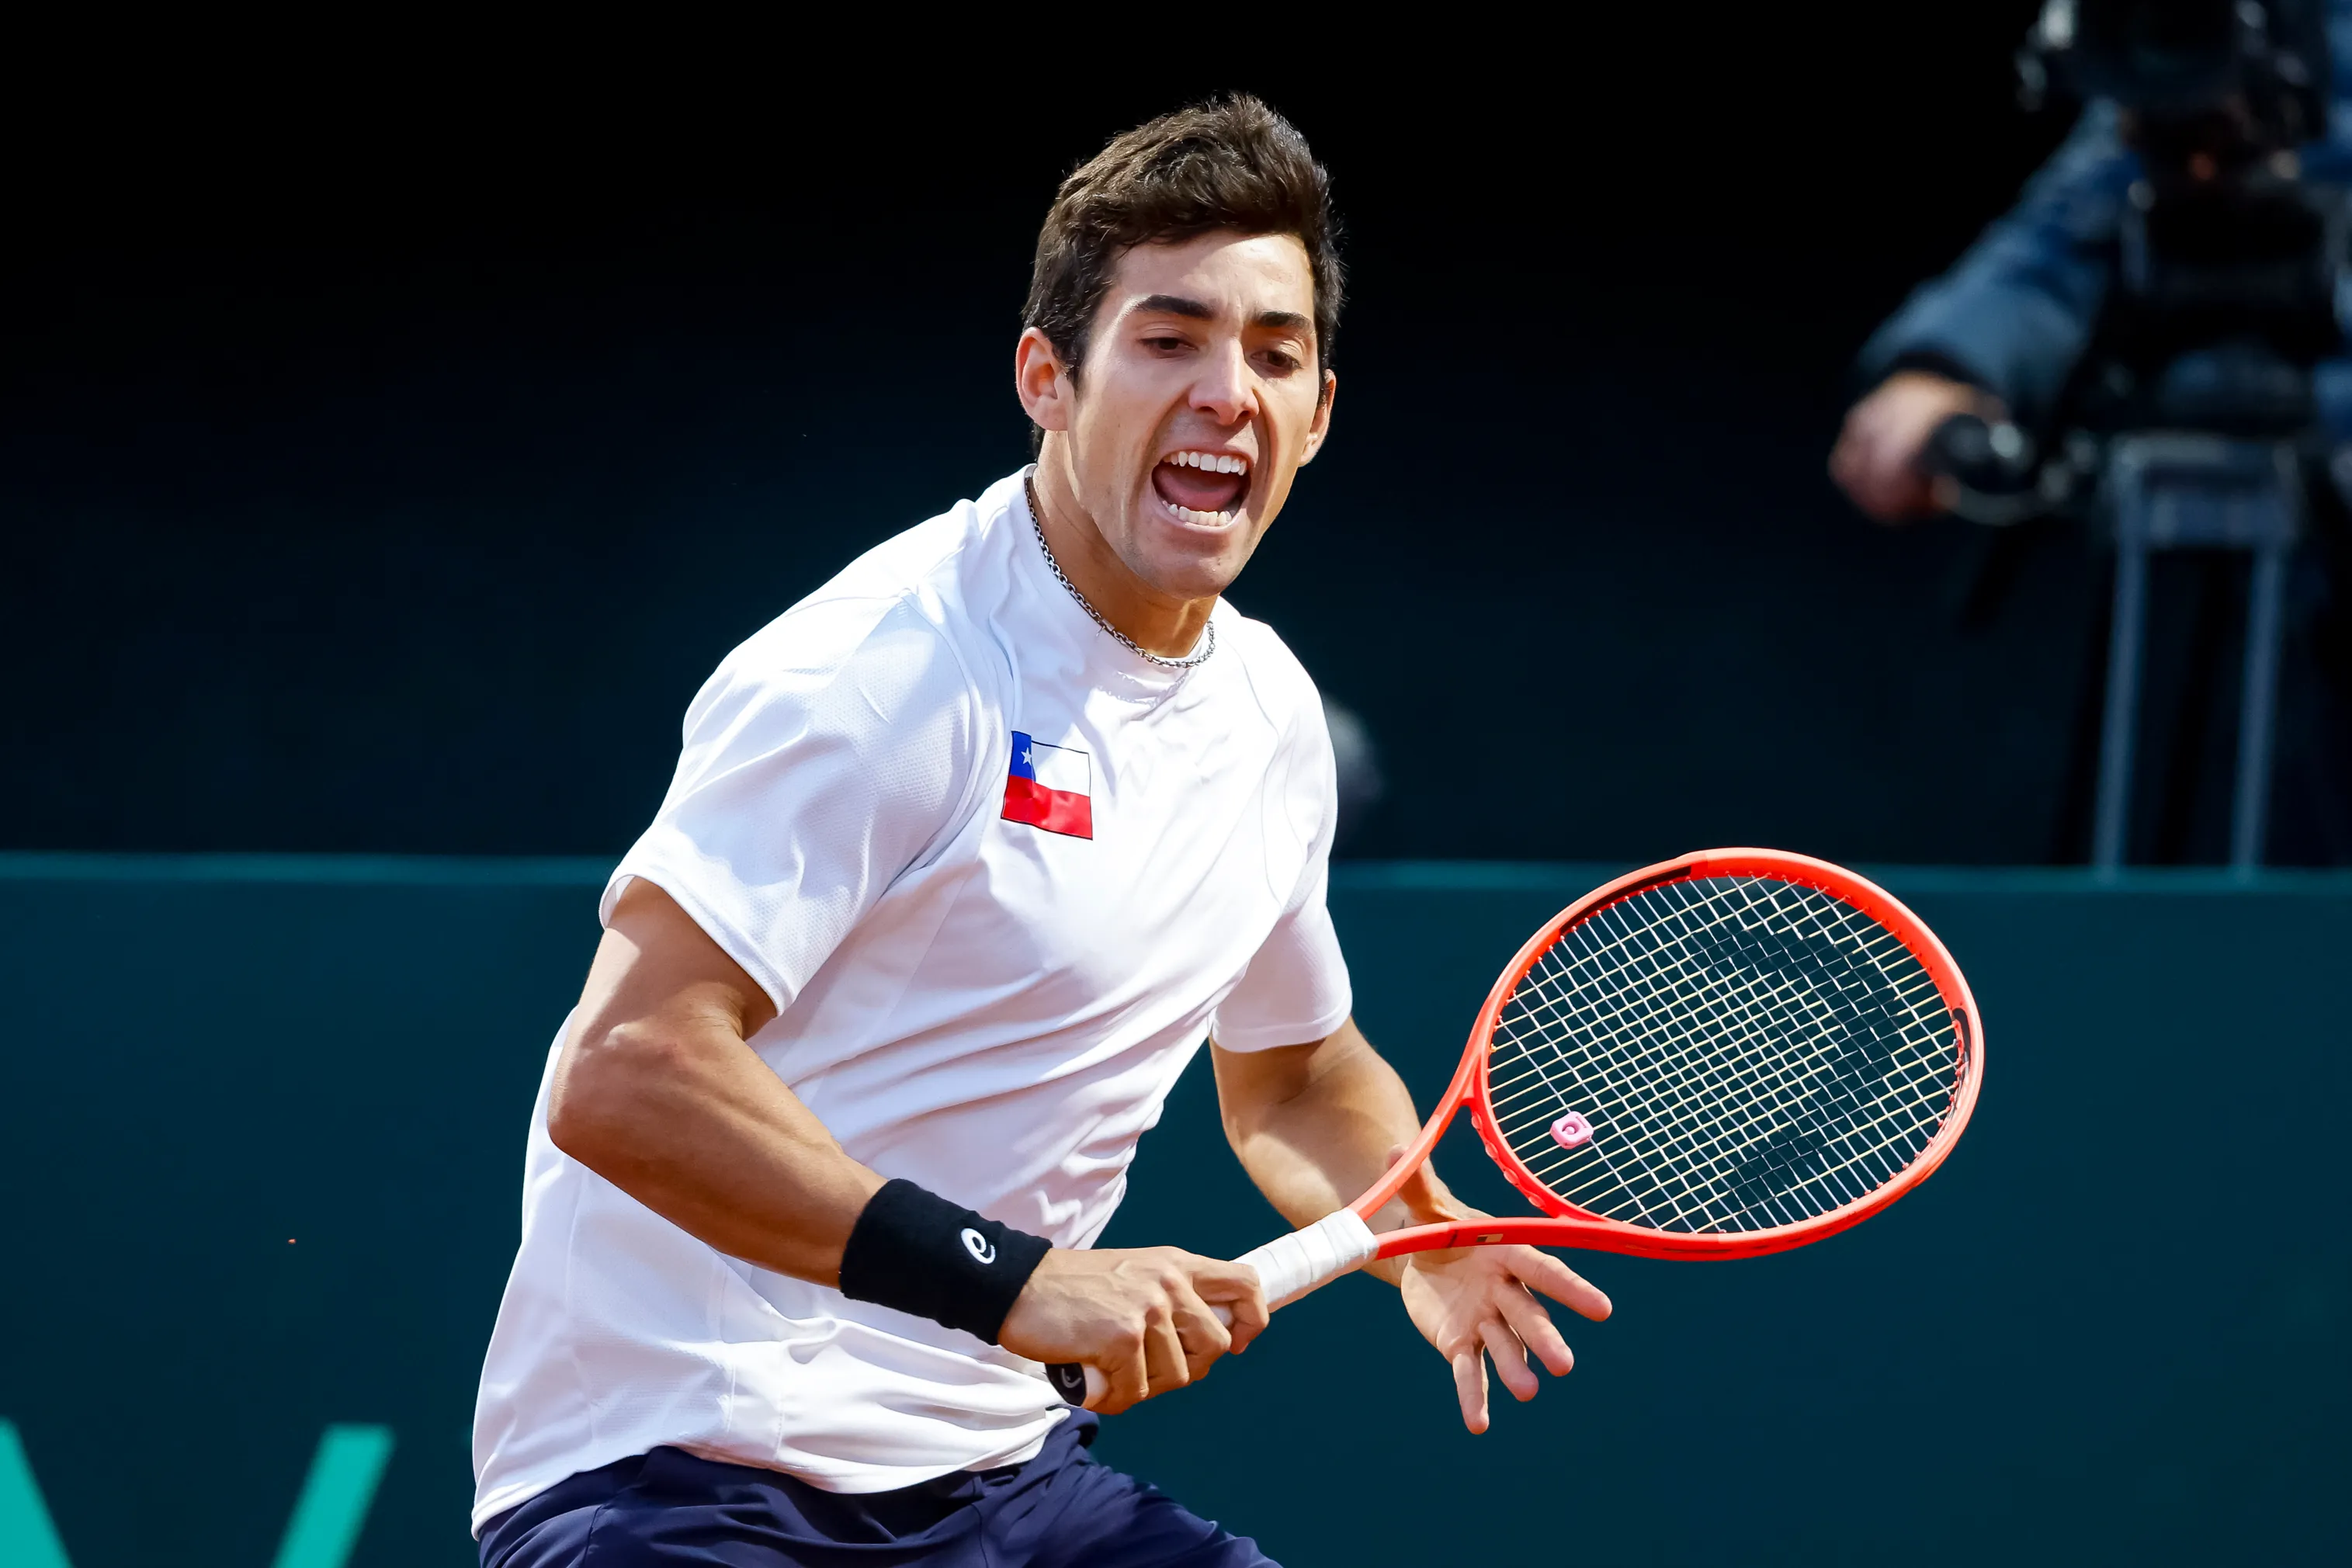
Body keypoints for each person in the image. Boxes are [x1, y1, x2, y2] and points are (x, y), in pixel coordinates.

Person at [468, 95, 1612, 1568]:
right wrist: (1014, 1284)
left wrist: (1420, 1232)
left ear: (1318, 416)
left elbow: (1296, 1076)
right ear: (1046, 379)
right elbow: (624, 1077)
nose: (1225, 391)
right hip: (678, 1474)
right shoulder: (880, 672)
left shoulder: (1266, 715)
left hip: (1001, 1481)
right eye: (1167, 338)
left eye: (1274, 354)